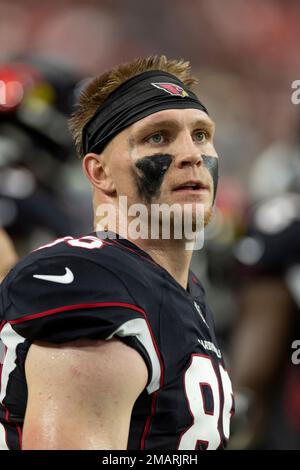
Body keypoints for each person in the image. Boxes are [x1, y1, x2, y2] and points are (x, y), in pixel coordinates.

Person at [0, 55, 233, 450]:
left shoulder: (182, 290)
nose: (192, 153)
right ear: (100, 172)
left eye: (200, 134)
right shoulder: (92, 280)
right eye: (157, 137)